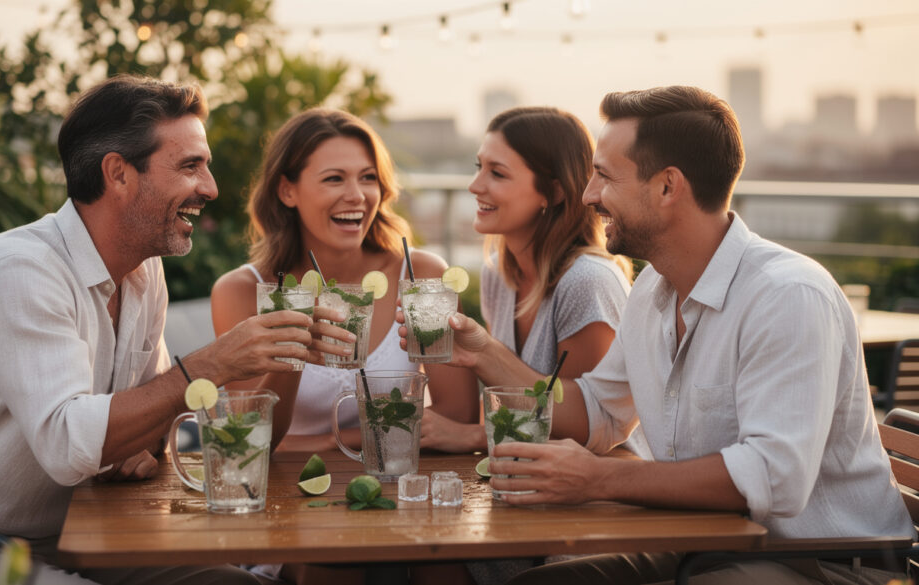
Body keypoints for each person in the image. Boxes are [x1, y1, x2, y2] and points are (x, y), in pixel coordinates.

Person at [412, 86, 913, 585]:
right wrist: (483, 351)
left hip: (822, 561)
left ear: (668, 187)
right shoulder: (653, 287)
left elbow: (774, 477)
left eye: (604, 176)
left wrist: (599, 478)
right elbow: (600, 412)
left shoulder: (786, 296)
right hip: (706, 542)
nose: (588, 195)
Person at [0, 76, 314, 585]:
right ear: (118, 174)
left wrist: (144, 443)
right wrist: (213, 362)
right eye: (190, 166)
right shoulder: (20, 270)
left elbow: (154, 417)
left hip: (82, 530)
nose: (210, 187)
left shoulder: (144, 271)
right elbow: (68, 442)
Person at [210, 108, 477, 584]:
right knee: (331, 560)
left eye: (368, 178)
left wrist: (320, 443)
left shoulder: (422, 275)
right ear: (287, 190)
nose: (357, 195)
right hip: (295, 500)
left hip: (402, 491)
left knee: (442, 557)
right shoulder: (243, 291)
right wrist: (295, 352)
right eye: (334, 178)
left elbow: (455, 421)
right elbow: (251, 443)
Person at [418, 106, 633, 455]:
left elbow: (592, 431)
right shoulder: (497, 275)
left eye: (497, 173)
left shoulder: (587, 282)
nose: (475, 185)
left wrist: (473, 437)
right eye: (478, 167)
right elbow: (505, 405)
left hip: (609, 480)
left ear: (554, 191)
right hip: (524, 471)